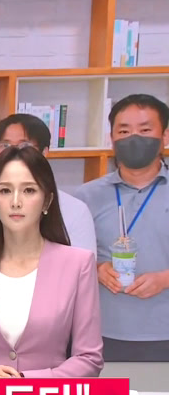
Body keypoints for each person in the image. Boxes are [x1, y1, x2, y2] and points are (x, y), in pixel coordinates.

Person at [0, 146, 103, 378]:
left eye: (29, 190)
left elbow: (89, 358)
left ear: (47, 201)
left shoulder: (78, 264)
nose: (16, 202)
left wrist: (25, 381)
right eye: (5, 191)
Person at [0, 114, 97, 281]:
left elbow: (83, 275)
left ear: (44, 152)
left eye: (25, 145)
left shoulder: (76, 210)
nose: (14, 152)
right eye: (5, 146)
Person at [75, 94, 169, 362]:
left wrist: (165, 279)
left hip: (164, 330)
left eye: (145, 130)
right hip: (101, 331)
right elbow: (62, 257)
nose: (133, 138)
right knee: (108, 392)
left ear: (165, 136)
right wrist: (96, 269)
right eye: (124, 131)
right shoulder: (86, 196)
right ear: (112, 138)